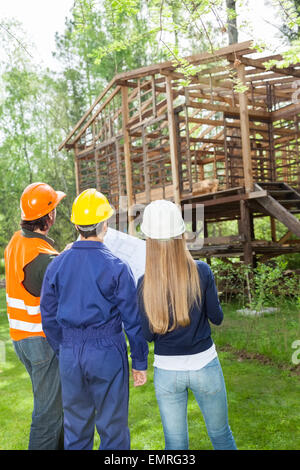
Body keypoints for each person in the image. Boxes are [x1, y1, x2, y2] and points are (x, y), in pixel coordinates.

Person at [40, 188, 148, 450]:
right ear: (105, 224)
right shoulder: (117, 266)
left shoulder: (57, 264)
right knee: (113, 430)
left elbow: (47, 315)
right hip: (107, 352)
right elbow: (133, 320)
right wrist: (140, 362)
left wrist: (64, 347)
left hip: (70, 352)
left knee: (76, 430)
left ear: (75, 224)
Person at [137, 199, 237, 451]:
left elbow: (148, 335)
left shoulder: (144, 283)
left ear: (148, 240)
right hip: (205, 365)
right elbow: (217, 318)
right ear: (182, 235)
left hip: (167, 373)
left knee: (175, 444)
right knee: (221, 435)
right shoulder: (202, 271)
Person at [4, 182, 66, 450]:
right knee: (48, 417)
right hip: (40, 342)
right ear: (49, 217)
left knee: (55, 410)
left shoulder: (16, 242)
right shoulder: (44, 257)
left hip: (21, 340)